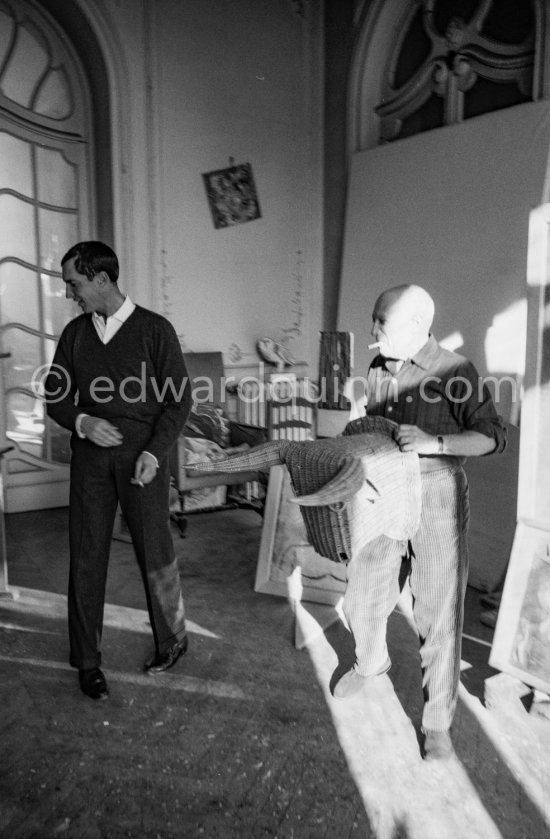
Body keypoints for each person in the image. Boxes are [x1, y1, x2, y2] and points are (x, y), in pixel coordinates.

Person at [335, 284, 506, 761]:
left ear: (414, 326)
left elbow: (493, 438)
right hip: (383, 490)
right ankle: (371, 663)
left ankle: (436, 723)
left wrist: (436, 442)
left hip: (437, 495)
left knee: (437, 610)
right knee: (363, 593)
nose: (371, 330)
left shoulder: (456, 370)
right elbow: (372, 423)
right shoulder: (375, 367)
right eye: (373, 319)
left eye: (379, 322)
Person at [45, 241, 192, 700]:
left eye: (74, 283)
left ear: (102, 280)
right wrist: (84, 422)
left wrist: (154, 453)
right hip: (91, 457)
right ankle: (87, 661)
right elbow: (56, 397)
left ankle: (172, 639)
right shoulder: (74, 336)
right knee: (87, 555)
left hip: (143, 457)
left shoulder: (154, 330)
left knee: (155, 550)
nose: (70, 293)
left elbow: (179, 400)